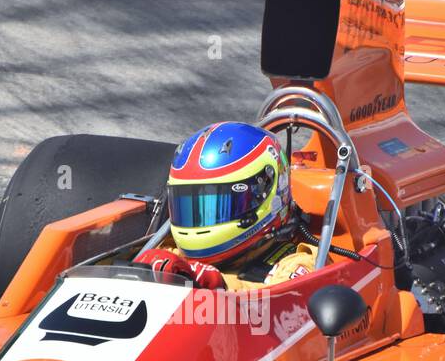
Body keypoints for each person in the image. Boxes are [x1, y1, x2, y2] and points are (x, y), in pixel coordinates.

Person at [135, 122, 319, 290]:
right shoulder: (169, 255)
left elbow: (279, 301)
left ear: (265, 193)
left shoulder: (296, 263)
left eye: (217, 207)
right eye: (190, 207)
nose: (201, 219)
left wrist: (215, 282)